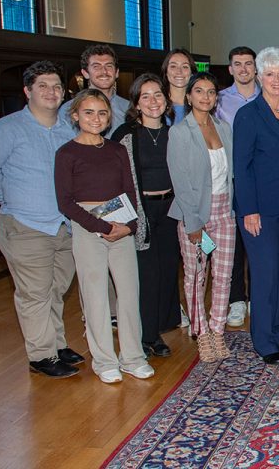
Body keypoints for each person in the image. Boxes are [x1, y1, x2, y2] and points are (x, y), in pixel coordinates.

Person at [0, 61, 83, 378]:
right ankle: (41, 355)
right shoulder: (5, 129)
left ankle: (57, 345)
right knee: (34, 293)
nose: (51, 92)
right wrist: (9, 200)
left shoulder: (68, 129)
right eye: (43, 86)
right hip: (26, 226)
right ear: (27, 91)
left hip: (65, 225)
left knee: (56, 290)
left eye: (57, 86)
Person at [54, 89, 152, 383]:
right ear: (75, 115)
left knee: (129, 293)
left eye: (102, 112)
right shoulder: (67, 153)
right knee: (95, 295)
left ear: (109, 116)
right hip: (87, 228)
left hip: (120, 225)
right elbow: (65, 201)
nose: (96, 118)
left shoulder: (117, 149)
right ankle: (104, 360)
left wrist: (130, 225)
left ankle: (133, 357)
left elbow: (130, 191)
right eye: (88, 112)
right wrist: (101, 227)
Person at [233, 47, 279, 365]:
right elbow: (241, 166)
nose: (277, 80)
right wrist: (248, 209)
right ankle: (263, 341)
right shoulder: (248, 115)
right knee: (264, 273)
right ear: (260, 77)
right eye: (271, 74)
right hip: (258, 210)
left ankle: (276, 330)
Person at [167, 72, 236, 364]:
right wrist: (193, 223)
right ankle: (202, 333)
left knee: (224, 275)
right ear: (189, 96)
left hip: (224, 211)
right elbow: (180, 181)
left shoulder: (223, 127)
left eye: (210, 92)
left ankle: (218, 330)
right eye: (199, 91)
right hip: (195, 213)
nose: (205, 97)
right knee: (196, 276)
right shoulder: (180, 132)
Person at [111, 73, 181, 358]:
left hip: (171, 211)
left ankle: (158, 330)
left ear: (166, 100)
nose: (153, 101)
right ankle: (145, 336)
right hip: (140, 213)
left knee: (167, 273)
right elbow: (115, 179)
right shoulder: (125, 135)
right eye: (146, 96)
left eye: (158, 95)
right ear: (136, 103)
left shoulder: (173, 133)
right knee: (146, 276)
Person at [216, 46, 260, 329]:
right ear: (230, 69)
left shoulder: (267, 96)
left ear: (255, 68)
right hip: (228, 180)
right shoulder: (218, 100)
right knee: (231, 245)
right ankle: (236, 301)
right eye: (238, 64)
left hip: (258, 181)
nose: (244, 69)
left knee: (257, 242)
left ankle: (257, 297)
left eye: (248, 63)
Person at [60, 44, 129, 135]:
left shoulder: (128, 108)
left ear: (116, 73)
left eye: (109, 66)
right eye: (96, 66)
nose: (104, 71)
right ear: (85, 73)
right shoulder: (69, 109)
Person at [160, 48, 195, 125]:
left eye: (185, 67)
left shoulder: (199, 103)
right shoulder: (157, 103)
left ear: (192, 72)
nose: (179, 71)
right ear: (166, 72)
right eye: (173, 66)